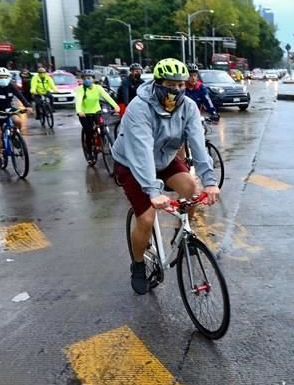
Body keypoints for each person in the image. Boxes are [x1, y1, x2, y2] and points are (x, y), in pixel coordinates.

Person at [111, 58, 220, 294]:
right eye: (171, 84)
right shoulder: (139, 108)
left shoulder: (188, 107)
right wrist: (153, 191)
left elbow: (198, 144)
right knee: (147, 218)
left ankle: (182, 234)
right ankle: (138, 265)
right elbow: (141, 151)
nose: (177, 90)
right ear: (158, 83)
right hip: (131, 162)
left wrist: (210, 182)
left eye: (181, 85)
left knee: (190, 187)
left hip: (164, 158)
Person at [0, 67, 30, 168]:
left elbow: (20, 96)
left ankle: (14, 136)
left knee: (18, 122)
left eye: (5, 77)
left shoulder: (11, 86)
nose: (3, 79)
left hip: (8, 109)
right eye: (0, 77)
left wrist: (28, 106)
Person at [75, 70, 119, 154]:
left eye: (89, 78)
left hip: (96, 111)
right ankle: (89, 151)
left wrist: (116, 106)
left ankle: (102, 141)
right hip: (85, 114)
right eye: (84, 79)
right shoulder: (81, 89)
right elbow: (78, 100)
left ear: (93, 79)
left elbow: (107, 97)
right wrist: (79, 111)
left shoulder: (98, 88)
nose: (86, 80)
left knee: (102, 127)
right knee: (89, 132)